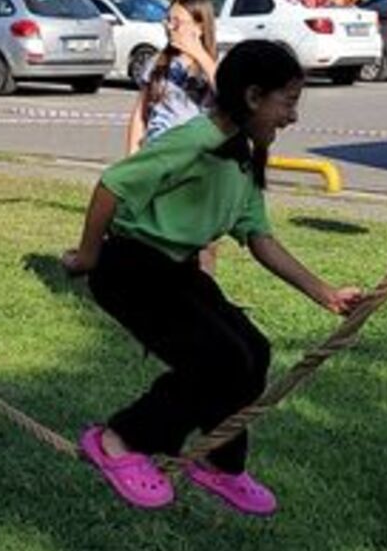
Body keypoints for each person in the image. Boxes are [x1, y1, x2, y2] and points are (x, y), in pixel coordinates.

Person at [62, 41, 362, 516]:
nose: (292, 118)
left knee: (253, 353)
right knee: (213, 360)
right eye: (287, 103)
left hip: (175, 270)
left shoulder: (242, 158)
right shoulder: (194, 140)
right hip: (131, 269)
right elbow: (113, 186)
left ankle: (219, 465)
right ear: (252, 96)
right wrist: (86, 256)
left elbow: (260, 239)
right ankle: (118, 440)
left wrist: (325, 294)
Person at [126, 0, 218, 152]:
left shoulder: (214, 65)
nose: (169, 27)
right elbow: (140, 116)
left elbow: (229, 95)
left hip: (192, 155)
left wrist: (199, 55)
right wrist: (132, 156)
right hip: (156, 151)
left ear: (199, 26)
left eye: (177, 22)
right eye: (167, 20)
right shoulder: (158, 62)